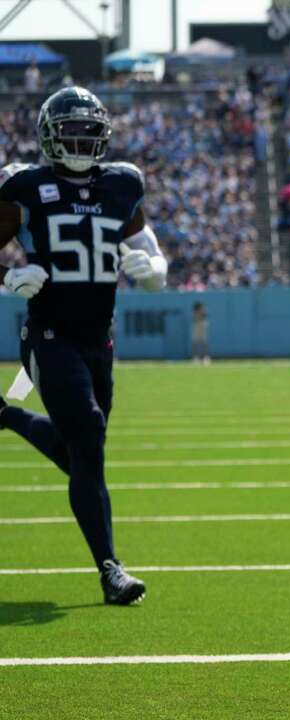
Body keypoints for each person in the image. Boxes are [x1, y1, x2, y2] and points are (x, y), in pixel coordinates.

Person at [0, 87, 169, 605]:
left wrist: (156, 268)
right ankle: (111, 569)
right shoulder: (24, 185)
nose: (78, 138)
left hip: (100, 338)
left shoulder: (123, 183)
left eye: (87, 130)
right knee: (89, 435)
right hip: (47, 333)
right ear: (49, 135)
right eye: (69, 129)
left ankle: (6, 416)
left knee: (82, 458)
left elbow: (145, 243)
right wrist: (8, 275)